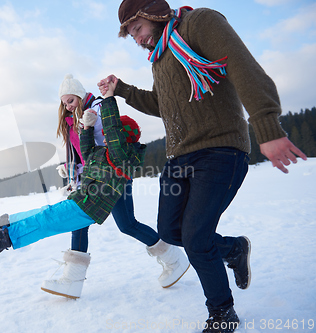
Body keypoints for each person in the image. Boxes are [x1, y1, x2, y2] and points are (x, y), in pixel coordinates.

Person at [97, 1, 307, 332]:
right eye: (131, 34)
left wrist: (267, 126)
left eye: (136, 29)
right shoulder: (162, 57)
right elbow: (162, 104)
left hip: (220, 151)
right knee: (170, 231)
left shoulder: (199, 25)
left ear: (153, 13)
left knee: (195, 237)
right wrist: (121, 89)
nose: (136, 39)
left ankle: (222, 313)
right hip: (179, 157)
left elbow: (242, 67)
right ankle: (233, 249)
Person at [0, 80, 188, 300]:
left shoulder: (118, 152)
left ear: (121, 139)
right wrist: (86, 128)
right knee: (125, 225)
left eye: (111, 135)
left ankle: (5, 238)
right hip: (88, 196)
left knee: (50, 218)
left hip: (92, 200)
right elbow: (86, 152)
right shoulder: (102, 152)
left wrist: (108, 99)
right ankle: (72, 279)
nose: (106, 135)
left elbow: (113, 127)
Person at [36, 74, 189, 299]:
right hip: (96, 178)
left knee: (125, 224)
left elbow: (111, 135)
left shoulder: (96, 108)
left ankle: (174, 260)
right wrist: (73, 169)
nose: (68, 107)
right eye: (64, 103)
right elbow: (85, 155)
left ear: (79, 95)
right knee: (111, 223)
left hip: (114, 175)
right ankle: (73, 280)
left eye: (71, 100)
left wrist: (102, 107)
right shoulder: (73, 122)